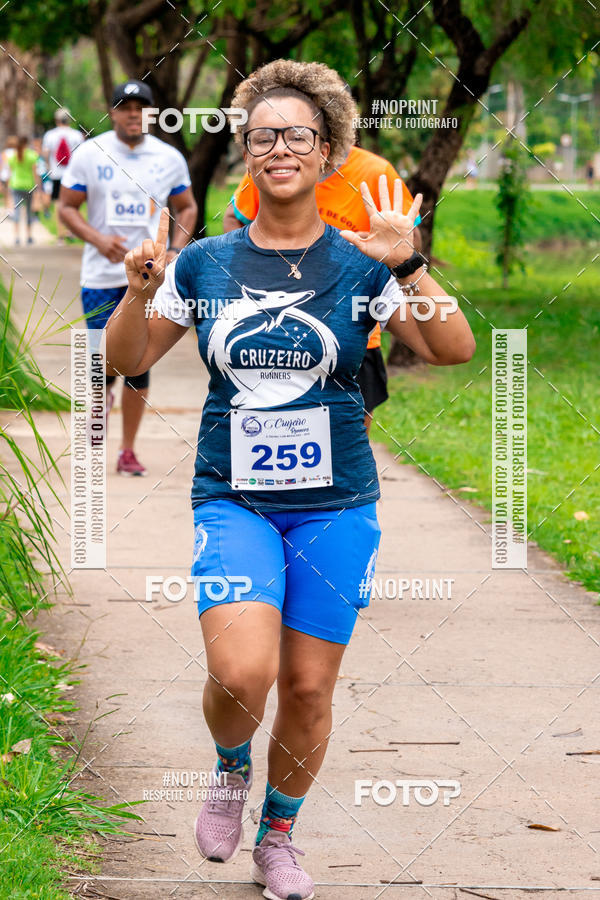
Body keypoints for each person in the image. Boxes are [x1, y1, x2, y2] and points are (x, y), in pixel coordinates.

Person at [106, 59, 475, 899]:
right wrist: (137, 294)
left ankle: (279, 835)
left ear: (327, 151)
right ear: (245, 149)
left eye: (297, 136)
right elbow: (127, 362)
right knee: (243, 673)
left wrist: (408, 264)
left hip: (336, 506)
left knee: (308, 687)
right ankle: (230, 766)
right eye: (263, 134)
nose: (279, 147)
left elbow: (451, 349)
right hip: (232, 497)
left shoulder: (362, 264)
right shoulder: (203, 265)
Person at [224, 145, 422, 433]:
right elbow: (235, 217)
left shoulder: (375, 171)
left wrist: (395, 272)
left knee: (349, 437)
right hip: (280, 335)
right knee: (269, 429)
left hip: (355, 336)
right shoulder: (275, 169)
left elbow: (407, 239)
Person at [59, 80, 197, 476]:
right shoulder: (91, 152)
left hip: (149, 277)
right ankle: (94, 440)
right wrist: (99, 240)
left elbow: (186, 207)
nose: (133, 113)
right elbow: (67, 208)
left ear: (151, 113)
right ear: (112, 111)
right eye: (124, 106)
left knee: (139, 363)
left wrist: (174, 249)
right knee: (100, 362)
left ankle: (128, 450)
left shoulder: (169, 158)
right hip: (101, 276)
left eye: (141, 107)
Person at [42, 108, 84, 243]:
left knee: (58, 204)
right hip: (73, 176)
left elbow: (46, 155)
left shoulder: (50, 135)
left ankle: (60, 234)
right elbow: (81, 156)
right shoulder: (77, 135)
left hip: (56, 175)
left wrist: (49, 169)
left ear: (56, 120)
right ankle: (71, 231)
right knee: (74, 204)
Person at [7, 136, 39, 245]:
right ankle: (29, 236)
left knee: (17, 211)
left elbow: (11, 173)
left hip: (16, 185)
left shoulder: (12, 156)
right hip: (29, 186)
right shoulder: (32, 155)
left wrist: (8, 186)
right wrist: (38, 187)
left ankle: (16, 236)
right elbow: (35, 173)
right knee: (29, 211)